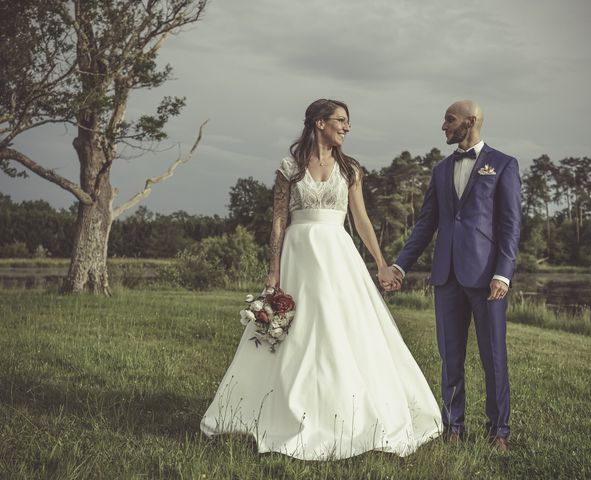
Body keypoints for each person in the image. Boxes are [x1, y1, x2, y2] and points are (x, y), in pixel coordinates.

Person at [200, 99, 441, 460]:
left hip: (338, 256)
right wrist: (273, 269)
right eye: (340, 121)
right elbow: (279, 220)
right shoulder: (289, 168)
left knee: (342, 328)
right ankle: (279, 408)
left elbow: (360, 221)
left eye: (347, 122)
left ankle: (348, 411)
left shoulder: (351, 169)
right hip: (299, 255)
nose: (346, 127)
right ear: (318, 123)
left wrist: (380, 264)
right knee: (298, 332)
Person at [380, 100, 521, 452]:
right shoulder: (441, 170)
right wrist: (400, 265)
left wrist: (503, 274)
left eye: (450, 119)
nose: (443, 125)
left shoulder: (503, 165)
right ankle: (453, 426)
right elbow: (427, 223)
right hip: (446, 277)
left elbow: (510, 225)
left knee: (494, 357)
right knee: (450, 357)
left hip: (488, 278)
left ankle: (498, 431)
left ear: (470, 122)